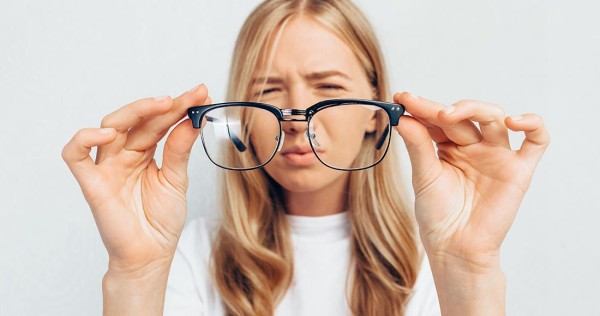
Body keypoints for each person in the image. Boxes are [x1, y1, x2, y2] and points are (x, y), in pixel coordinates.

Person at [61, 0, 549, 315]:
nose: (295, 119)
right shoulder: (191, 258)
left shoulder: (430, 265)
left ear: (376, 114)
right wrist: (135, 273)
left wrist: (469, 267)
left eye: (329, 89)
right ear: (242, 123)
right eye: (268, 92)